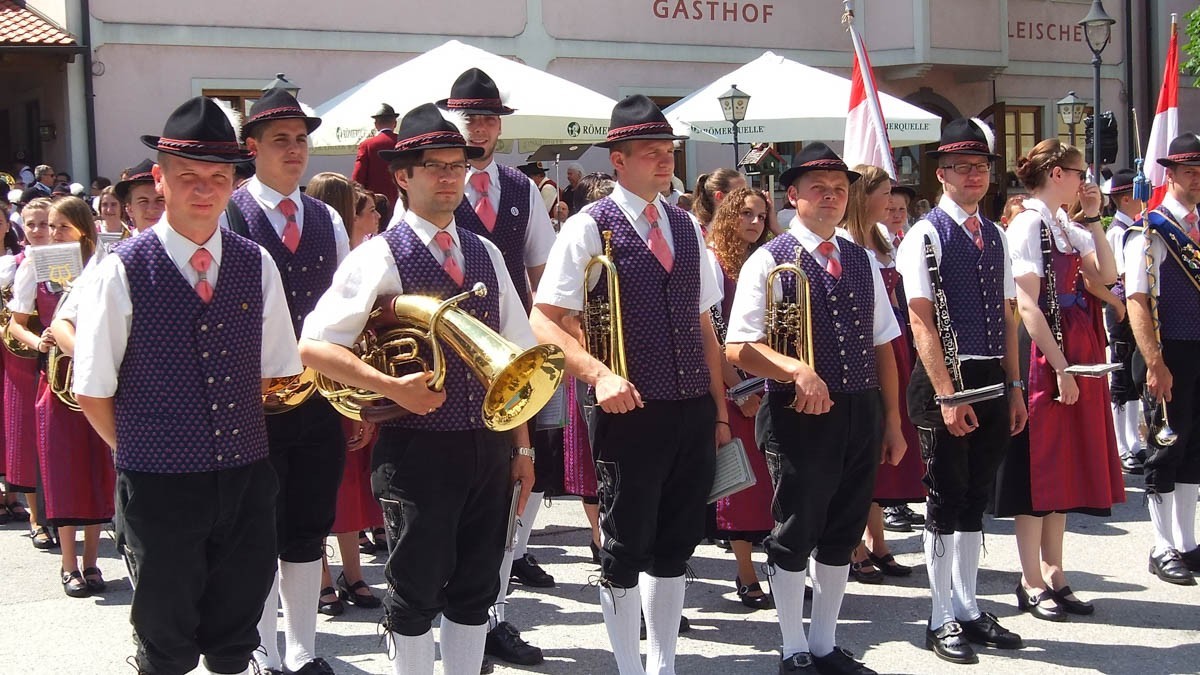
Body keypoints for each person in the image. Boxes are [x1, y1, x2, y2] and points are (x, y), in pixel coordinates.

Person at [298, 101, 537, 675]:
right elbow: (314, 346)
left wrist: (523, 449)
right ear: (403, 176)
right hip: (416, 449)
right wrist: (390, 385)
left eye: (458, 166)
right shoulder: (377, 255)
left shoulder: (486, 252)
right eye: (435, 166)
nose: (450, 177)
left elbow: (519, 361)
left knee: (476, 588)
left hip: (489, 444)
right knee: (414, 592)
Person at [72, 96, 301, 675]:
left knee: (235, 634)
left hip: (246, 478)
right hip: (159, 486)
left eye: (218, 178)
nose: (204, 190)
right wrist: (141, 451)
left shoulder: (257, 263)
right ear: (160, 179)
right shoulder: (121, 268)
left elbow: (273, 371)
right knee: (165, 639)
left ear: (233, 183)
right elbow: (93, 389)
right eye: (188, 177)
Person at [531, 95, 726, 675]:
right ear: (618, 160)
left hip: (690, 406)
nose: (665, 161)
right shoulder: (588, 226)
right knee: (625, 546)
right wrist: (598, 374)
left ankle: (662, 666)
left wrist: (718, 411)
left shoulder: (686, 225)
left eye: (668, 151)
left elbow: (704, 326)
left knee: (675, 546)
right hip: (627, 410)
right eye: (650, 152)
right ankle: (628, 667)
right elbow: (544, 318)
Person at [725, 143, 903, 675]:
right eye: (819, 188)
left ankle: (824, 643)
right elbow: (738, 346)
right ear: (793, 196)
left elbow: (883, 345)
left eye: (839, 189)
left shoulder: (861, 258)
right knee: (796, 528)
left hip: (860, 409)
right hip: (796, 414)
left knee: (844, 529)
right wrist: (794, 370)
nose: (831, 197)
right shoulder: (768, 258)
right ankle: (792, 647)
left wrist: (892, 421)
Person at [220, 87, 349, 675]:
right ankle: (261, 650)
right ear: (252, 148)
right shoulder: (230, 213)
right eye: (281, 140)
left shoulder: (327, 217)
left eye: (300, 140)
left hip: (317, 396)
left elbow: (344, 312)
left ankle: (302, 649)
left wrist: (349, 400)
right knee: (256, 529)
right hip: (251, 401)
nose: (295, 150)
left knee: (308, 524)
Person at [437, 66, 557, 667]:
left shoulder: (521, 189)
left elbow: (540, 275)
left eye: (488, 119)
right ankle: (451, 615)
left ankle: (495, 612)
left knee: (519, 478)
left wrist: (535, 351)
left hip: (509, 352)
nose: (479, 128)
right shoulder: (433, 183)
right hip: (448, 352)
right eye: (470, 119)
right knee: (453, 489)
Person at [894, 118, 1027, 665]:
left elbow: (1008, 315)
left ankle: (968, 606)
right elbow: (920, 321)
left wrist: (1014, 385)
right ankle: (939, 615)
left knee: (975, 498)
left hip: (991, 373)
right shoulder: (924, 235)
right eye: (962, 167)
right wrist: (948, 395)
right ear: (942, 174)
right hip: (945, 379)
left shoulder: (995, 234)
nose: (974, 175)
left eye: (981, 167)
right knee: (944, 498)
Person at [993, 138, 1123, 621]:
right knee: (1039, 466)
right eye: (1079, 172)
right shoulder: (1029, 223)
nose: (1084, 180)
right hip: (1043, 349)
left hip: (1072, 342)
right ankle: (1029, 579)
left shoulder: (1064, 224)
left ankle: (1055, 571)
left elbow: (1106, 275)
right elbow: (1027, 303)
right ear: (1056, 174)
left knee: (1063, 463)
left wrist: (1095, 218)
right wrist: (1060, 366)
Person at [9, 196, 114, 597]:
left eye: (62, 227)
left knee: (96, 466)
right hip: (57, 380)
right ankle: (69, 563)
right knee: (64, 468)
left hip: (98, 377)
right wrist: (40, 341)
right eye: (50, 226)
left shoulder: (103, 265)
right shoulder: (37, 266)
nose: (53, 234)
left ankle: (92, 560)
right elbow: (17, 322)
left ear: (83, 229)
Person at [304, 171, 384, 616]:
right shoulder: (331, 258)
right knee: (318, 485)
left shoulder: (362, 258)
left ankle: (352, 572)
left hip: (352, 376)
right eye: (363, 209)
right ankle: (320, 576)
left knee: (350, 480)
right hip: (314, 377)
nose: (374, 216)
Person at [842, 165, 924, 582]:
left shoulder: (881, 238)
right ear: (865, 195)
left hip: (893, 338)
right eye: (885, 193)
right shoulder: (847, 241)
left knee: (882, 444)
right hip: (865, 346)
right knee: (864, 444)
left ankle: (878, 540)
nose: (891, 202)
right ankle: (852, 543)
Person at [1125, 132, 1200, 585]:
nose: (1197, 179)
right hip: (1168, 350)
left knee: (1194, 450)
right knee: (1165, 446)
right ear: (1169, 175)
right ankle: (1162, 544)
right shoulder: (1149, 229)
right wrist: (1155, 363)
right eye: (1189, 171)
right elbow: (1136, 299)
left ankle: (1187, 543)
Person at [705, 186, 775, 610]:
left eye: (761, 216)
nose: (754, 222)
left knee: (773, 483)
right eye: (746, 214)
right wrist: (738, 389)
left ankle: (779, 571)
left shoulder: (764, 260)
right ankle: (746, 574)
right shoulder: (715, 263)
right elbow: (712, 339)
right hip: (735, 386)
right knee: (742, 486)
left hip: (768, 379)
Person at [3, 198, 53, 549]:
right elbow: (15, 322)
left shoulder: (73, 259)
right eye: (31, 224)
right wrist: (38, 343)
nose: (37, 230)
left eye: (44, 223)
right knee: (29, 438)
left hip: (62, 357)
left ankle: (65, 511)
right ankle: (37, 517)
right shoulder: (16, 264)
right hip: (24, 358)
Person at [1100, 168, 1145, 474]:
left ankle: (1133, 442)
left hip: (1131, 308)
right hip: (1121, 309)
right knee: (1120, 376)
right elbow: (1120, 275)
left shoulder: (1133, 228)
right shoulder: (1119, 232)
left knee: (1132, 378)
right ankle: (1121, 446)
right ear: (1126, 199)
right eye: (1139, 195)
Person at [351, 103, 400, 215]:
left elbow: (358, 178)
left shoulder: (367, 145)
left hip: (375, 205)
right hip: (403, 202)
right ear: (395, 123)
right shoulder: (403, 142)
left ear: (376, 124)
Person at [115, 159, 166, 233]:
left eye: (160, 200)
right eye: (143, 201)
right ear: (130, 209)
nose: (151, 209)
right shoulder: (126, 240)